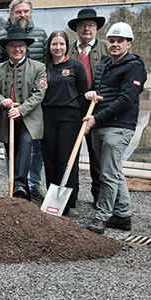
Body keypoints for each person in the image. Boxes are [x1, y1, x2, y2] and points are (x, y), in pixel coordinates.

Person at [83, 22, 147, 234]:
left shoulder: (134, 67)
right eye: (111, 40)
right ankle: (122, 215)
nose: (115, 44)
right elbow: (98, 88)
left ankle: (101, 217)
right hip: (100, 124)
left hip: (118, 127)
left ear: (129, 44)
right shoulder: (105, 64)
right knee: (114, 171)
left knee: (107, 174)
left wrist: (96, 118)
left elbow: (126, 100)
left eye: (120, 41)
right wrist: (91, 92)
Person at [0, 0, 48, 201]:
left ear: (26, 47)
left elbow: (39, 92)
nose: (17, 49)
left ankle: (21, 185)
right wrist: (1, 101)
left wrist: (22, 109)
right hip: (7, 115)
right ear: (7, 48)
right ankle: (15, 185)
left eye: (21, 46)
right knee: (10, 148)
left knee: (26, 144)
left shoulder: (39, 67)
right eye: (13, 46)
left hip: (29, 115)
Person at [40, 30, 89, 214]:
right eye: (54, 44)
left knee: (66, 159)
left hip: (70, 118)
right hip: (48, 117)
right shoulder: (43, 68)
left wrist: (85, 120)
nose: (58, 47)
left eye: (61, 44)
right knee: (50, 159)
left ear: (67, 46)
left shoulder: (76, 66)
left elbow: (83, 94)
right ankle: (52, 198)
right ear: (49, 46)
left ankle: (67, 201)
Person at [67, 7, 109, 205]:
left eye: (91, 25)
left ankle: (98, 197)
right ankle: (70, 196)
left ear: (96, 28)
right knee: (71, 152)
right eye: (82, 25)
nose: (86, 29)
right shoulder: (68, 50)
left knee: (96, 154)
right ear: (76, 29)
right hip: (73, 108)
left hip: (97, 108)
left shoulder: (107, 49)